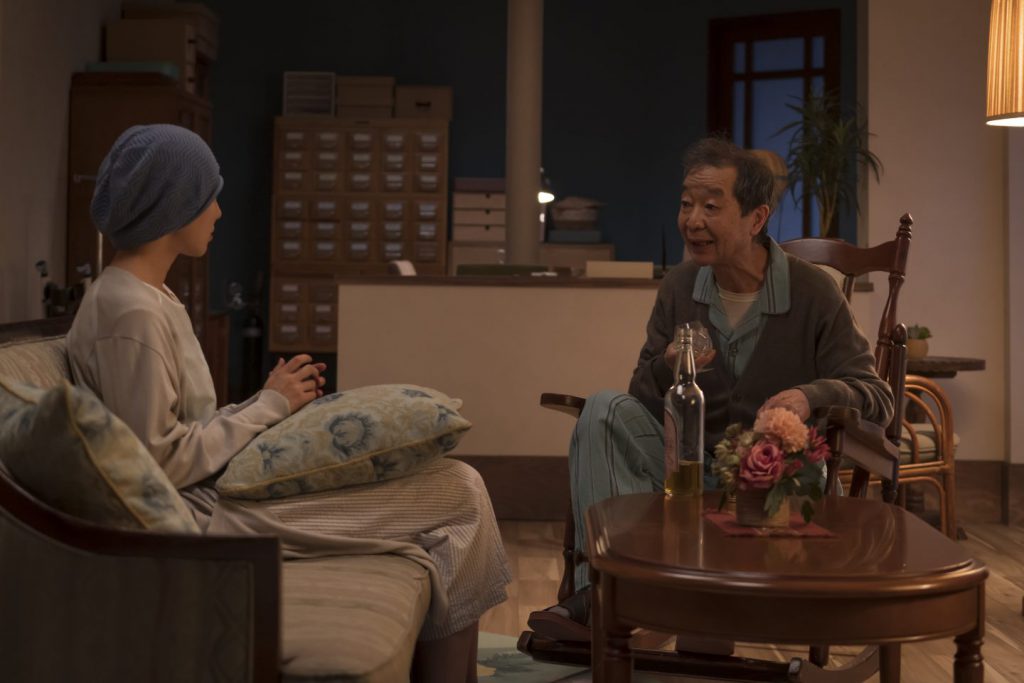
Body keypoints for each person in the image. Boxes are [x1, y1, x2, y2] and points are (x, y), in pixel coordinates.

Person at [67, 124, 511, 681]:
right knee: (460, 495)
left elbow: (181, 430)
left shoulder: (148, 298)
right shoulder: (130, 313)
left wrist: (266, 400)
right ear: (174, 205)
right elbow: (158, 463)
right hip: (204, 517)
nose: (219, 212)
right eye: (209, 196)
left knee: (459, 486)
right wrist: (268, 407)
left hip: (217, 493)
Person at [527, 137, 894, 648]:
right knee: (604, 407)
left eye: (711, 206)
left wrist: (810, 395)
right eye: (686, 204)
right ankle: (605, 595)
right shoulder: (681, 287)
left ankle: (643, 604)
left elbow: (877, 396)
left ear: (756, 218)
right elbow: (641, 398)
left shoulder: (813, 291)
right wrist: (668, 367)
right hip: (684, 472)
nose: (692, 220)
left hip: (770, 485)